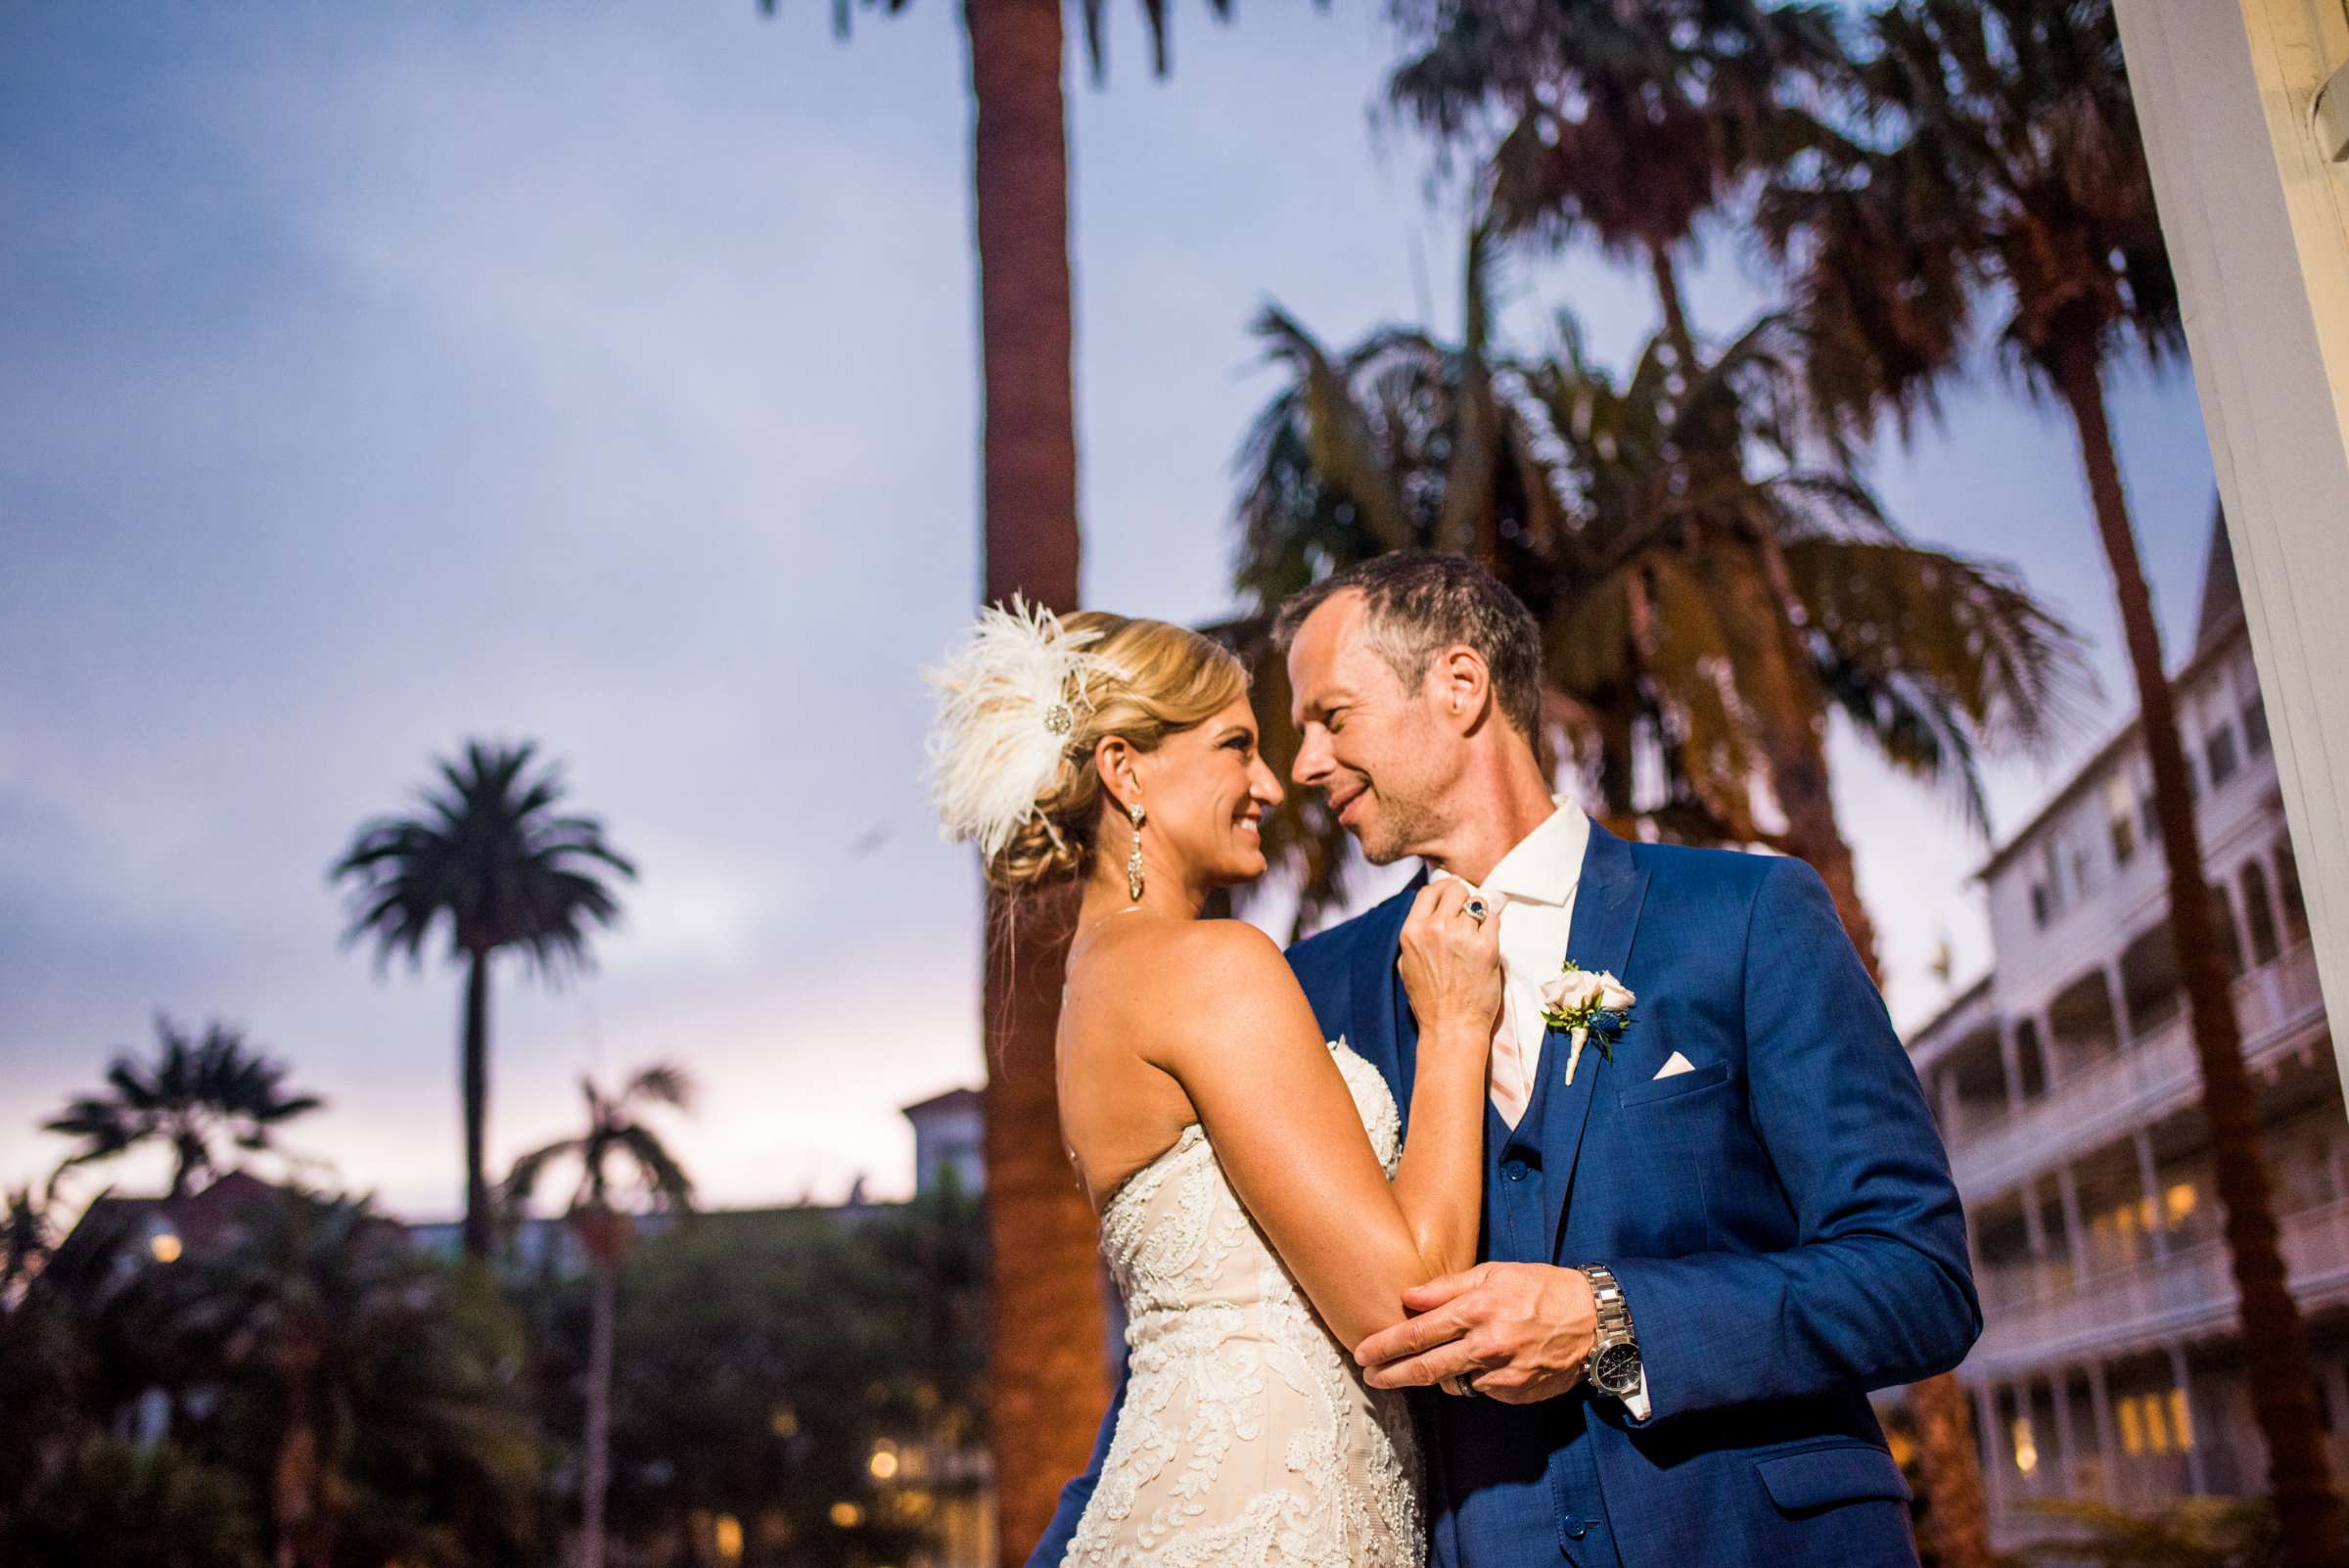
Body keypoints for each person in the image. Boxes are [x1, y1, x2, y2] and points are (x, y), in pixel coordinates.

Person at [1020, 552, 1982, 1568]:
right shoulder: (1309, 988)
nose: (1301, 767)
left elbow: (1917, 1276)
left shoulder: (1744, 917)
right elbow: (1207, 1346)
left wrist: (1611, 1319)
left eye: (1330, 717)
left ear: (1462, 686)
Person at [926, 600, 1505, 1568]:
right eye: (1237, 746)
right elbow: (1410, 1304)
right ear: (1124, 771)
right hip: (1274, 1515)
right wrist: (1453, 1029)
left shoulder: (1094, 981)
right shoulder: (1210, 965)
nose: (1272, 785)